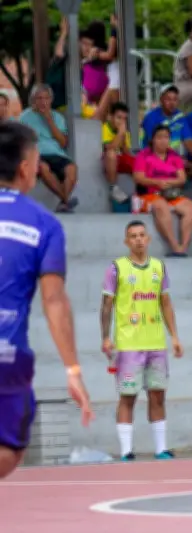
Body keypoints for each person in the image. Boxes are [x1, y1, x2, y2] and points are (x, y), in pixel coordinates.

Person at [0, 122, 93, 479]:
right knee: (9, 448)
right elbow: (54, 301)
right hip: (7, 357)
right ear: (25, 168)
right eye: (37, 159)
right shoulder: (44, 224)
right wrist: (73, 370)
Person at [101, 220, 183, 460]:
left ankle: (161, 449)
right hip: (128, 343)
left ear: (148, 239)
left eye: (141, 235)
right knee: (128, 395)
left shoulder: (159, 267)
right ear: (127, 241)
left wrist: (174, 336)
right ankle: (126, 450)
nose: (138, 239)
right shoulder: (117, 268)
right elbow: (106, 305)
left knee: (158, 394)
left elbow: (165, 302)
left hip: (155, 341)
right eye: (133, 236)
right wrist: (105, 336)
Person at [132, 125, 192, 257]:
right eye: (159, 137)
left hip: (171, 194)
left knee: (190, 207)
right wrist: (156, 182)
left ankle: (183, 247)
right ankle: (175, 246)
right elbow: (138, 177)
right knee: (160, 206)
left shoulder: (174, 156)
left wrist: (168, 183)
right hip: (149, 195)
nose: (163, 141)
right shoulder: (143, 155)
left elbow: (182, 178)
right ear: (153, 140)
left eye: (166, 137)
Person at [18, 84, 79, 212]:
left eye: (46, 98)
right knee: (43, 168)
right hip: (38, 155)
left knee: (72, 170)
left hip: (57, 154)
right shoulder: (24, 117)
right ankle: (66, 201)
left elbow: (63, 143)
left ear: (51, 100)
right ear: (33, 100)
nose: (43, 102)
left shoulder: (58, 118)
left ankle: (64, 202)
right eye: (39, 98)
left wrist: (49, 120)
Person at [102, 102, 136, 205]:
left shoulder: (125, 132)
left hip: (120, 159)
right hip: (108, 161)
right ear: (110, 117)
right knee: (111, 154)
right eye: (119, 118)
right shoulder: (104, 128)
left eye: (124, 119)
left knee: (139, 162)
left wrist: (124, 137)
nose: (122, 121)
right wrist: (120, 134)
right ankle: (113, 188)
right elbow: (110, 148)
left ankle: (141, 191)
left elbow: (126, 153)